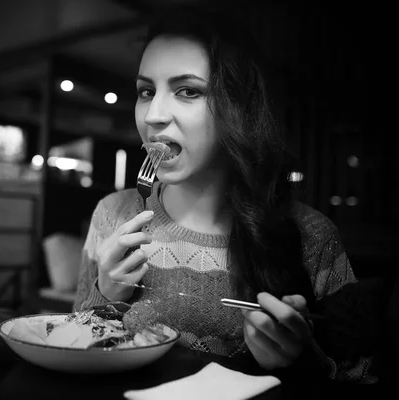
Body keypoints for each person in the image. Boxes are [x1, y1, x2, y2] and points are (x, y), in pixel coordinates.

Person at [73, 4, 378, 384]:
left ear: (239, 107)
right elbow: (73, 346)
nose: (153, 114)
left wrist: (300, 362)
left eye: (187, 91)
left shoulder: (313, 236)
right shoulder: (112, 214)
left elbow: (362, 378)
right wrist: (105, 293)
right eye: (146, 91)